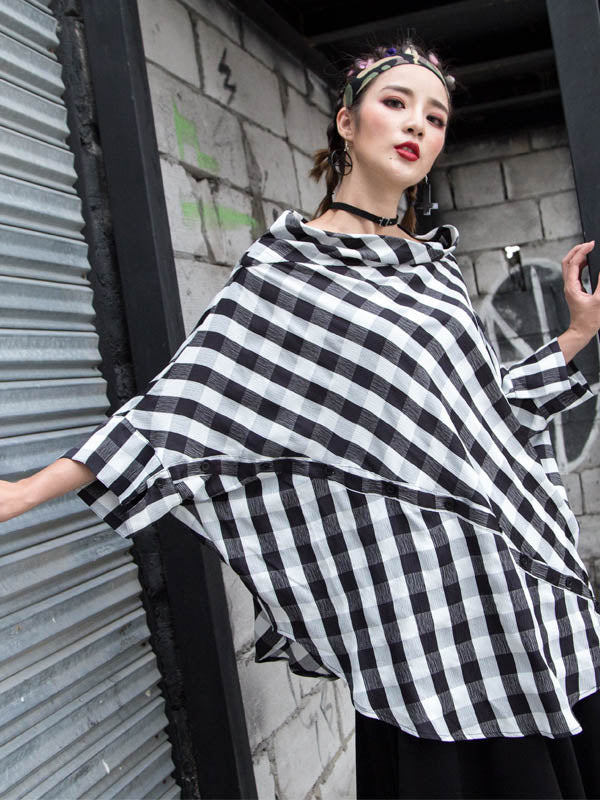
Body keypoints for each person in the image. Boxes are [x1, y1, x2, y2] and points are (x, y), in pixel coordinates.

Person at [2, 39, 600, 800]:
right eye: (396, 103)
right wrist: (26, 491)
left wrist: (575, 336)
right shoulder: (287, 274)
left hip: (520, 590)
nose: (416, 125)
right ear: (346, 122)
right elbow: (182, 409)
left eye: (435, 117)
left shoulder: (434, 271)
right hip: (421, 618)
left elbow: (484, 417)